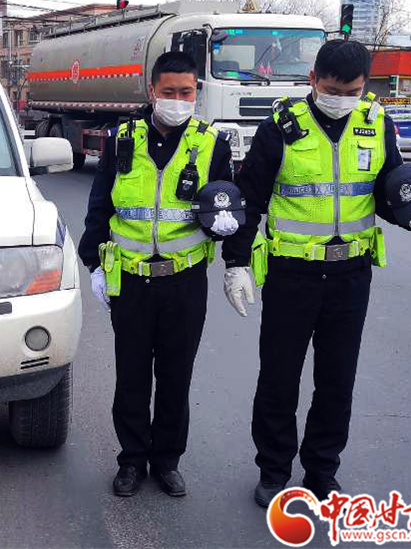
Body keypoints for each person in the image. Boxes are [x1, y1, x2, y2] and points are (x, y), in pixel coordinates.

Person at [220, 39, 411, 507]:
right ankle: (273, 471)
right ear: (313, 79)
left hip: (350, 275)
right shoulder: (281, 127)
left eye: (352, 91)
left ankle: (322, 471)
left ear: (365, 86)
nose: (342, 99)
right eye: (332, 89)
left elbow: (388, 191)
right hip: (292, 274)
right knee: (279, 379)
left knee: (337, 380)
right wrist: (236, 263)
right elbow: (249, 199)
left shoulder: (375, 124)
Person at [79, 51, 238, 498]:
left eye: (186, 93)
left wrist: (228, 228)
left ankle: (167, 461)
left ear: (196, 92)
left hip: (184, 281)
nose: (177, 100)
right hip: (130, 280)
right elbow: (100, 205)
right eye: (169, 92)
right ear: (152, 91)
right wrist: (93, 264)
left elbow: (224, 204)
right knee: (131, 376)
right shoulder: (122, 140)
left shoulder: (212, 144)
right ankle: (131, 460)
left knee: (175, 376)